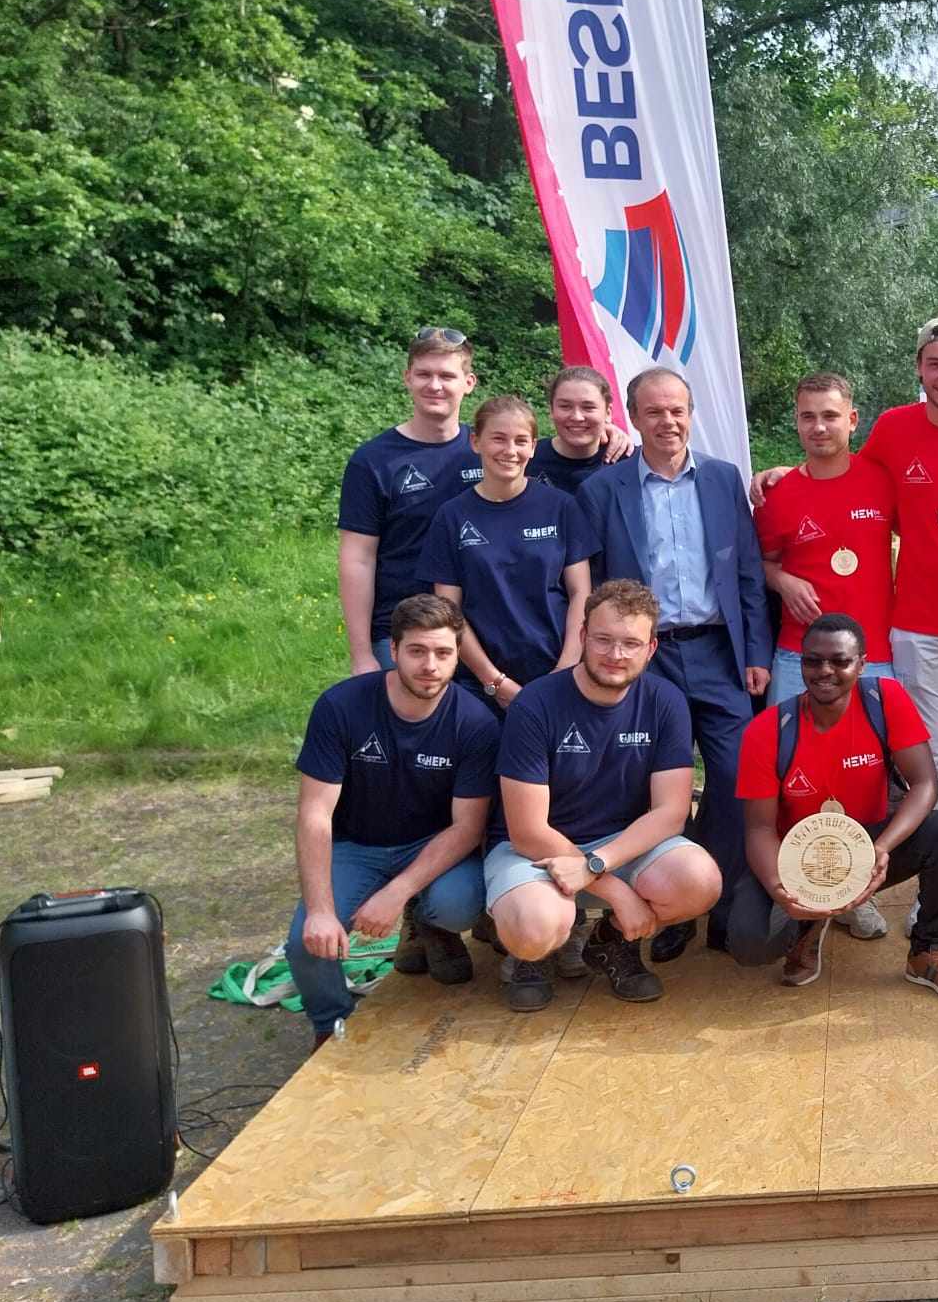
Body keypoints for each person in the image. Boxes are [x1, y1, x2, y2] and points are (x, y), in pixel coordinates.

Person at [754, 316, 938, 944]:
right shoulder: (892, 430)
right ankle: (927, 887)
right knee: (923, 764)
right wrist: (776, 472)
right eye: (935, 364)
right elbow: (830, 464)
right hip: (913, 627)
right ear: (919, 369)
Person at [571, 368, 770, 963]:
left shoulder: (722, 478)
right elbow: (590, 585)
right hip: (643, 657)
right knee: (648, 783)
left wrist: (756, 653)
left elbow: (747, 573)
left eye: (678, 410)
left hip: (718, 652)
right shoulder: (603, 491)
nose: (668, 422)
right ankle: (666, 906)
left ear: (691, 413)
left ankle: (714, 896)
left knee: (736, 776)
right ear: (633, 418)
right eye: (654, 412)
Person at [484, 579, 724, 1010]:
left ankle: (611, 940)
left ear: (651, 649)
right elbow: (527, 831)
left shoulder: (666, 700)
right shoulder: (535, 704)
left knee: (700, 881)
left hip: (621, 844)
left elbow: (670, 812)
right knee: (535, 927)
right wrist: (619, 893)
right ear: (582, 636)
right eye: (603, 640)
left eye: (631, 643)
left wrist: (596, 865)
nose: (616, 655)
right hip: (534, 851)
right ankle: (533, 955)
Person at [733, 612, 938, 1001]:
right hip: (799, 858)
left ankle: (928, 950)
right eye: (813, 661)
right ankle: (809, 925)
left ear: (862, 664)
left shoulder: (884, 699)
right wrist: (783, 889)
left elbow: (925, 784)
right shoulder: (767, 731)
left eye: (840, 661)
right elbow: (759, 829)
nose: (824, 671)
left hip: (870, 845)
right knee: (751, 942)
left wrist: (881, 849)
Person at [287, 593, 497, 1047]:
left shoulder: (476, 722)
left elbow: (467, 828)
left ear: (458, 656)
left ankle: (424, 922)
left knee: (460, 904)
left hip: (432, 844)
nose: (430, 666)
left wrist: (396, 893)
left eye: (443, 653)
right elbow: (315, 812)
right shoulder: (341, 706)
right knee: (307, 941)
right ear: (394, 650)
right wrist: (321, 912)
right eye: (417, 651)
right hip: (356, 846)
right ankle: (331, 1025)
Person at [752, 373, 898, 943]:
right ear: (796, 422)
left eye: (830, 416)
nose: (819, 427)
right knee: (791, 774)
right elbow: (760, 564)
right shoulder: (779, 494)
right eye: (808, 416)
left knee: (867, 777)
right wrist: (782, 579)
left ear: (852, 420)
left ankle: (856, 889)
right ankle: (795, 885)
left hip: (873, 656)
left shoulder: (882, 480)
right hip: (798, 656)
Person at [420, 395, 594, 713]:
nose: (510, 450)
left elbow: (581, 593)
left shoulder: (561, 507)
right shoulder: (452, 516)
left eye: (521, 441)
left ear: (533, 447)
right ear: (476, 442)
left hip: (559, 676)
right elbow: (448, 611)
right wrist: (494, 681)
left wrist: (566, 669)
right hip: (479, 684)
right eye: (498, 438)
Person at [337, 329, 484, 675]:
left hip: (483, 633)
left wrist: (604, 435)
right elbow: (358, 559)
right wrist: (361, 655)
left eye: (447, 375)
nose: (435, 385)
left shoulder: (490, 451)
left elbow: (556, 457)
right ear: (407, 378)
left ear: (468, 383)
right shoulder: (373, 461)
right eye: (424, 374)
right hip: (402, 634)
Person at [528, 367, 621, 495]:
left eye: (588, 407)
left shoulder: (629, 463)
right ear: (551, 410)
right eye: (565, 406)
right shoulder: (527, 458)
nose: (577, 417)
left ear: (608, 413)